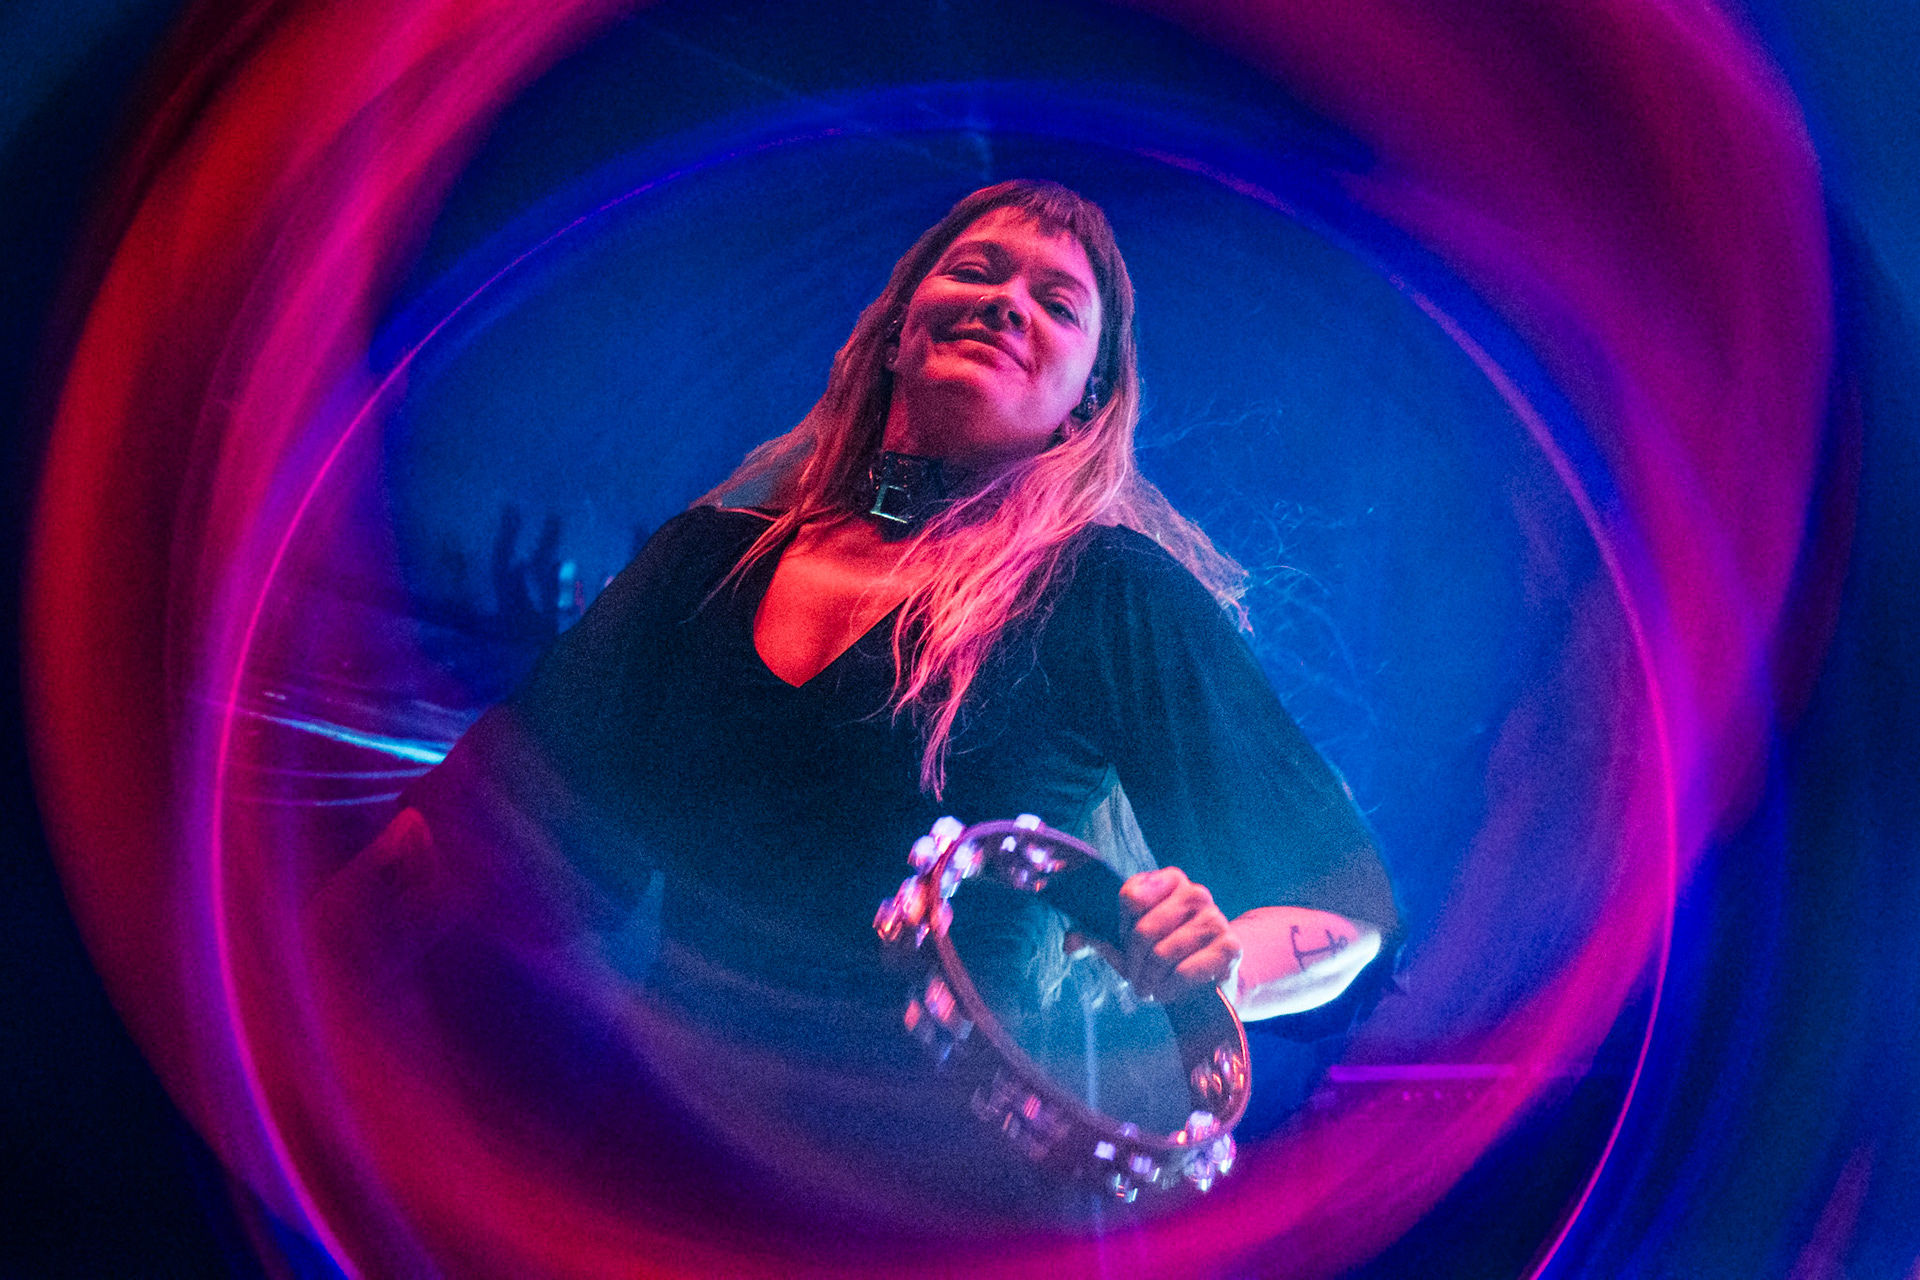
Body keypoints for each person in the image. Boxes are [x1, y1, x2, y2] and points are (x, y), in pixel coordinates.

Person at [312, 179, 1397, 1238]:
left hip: (951, 1220)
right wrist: (273, 997)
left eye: (1057, 303)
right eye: (975, 270)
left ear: (1088, 399)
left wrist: (1207, 971)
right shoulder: (702, 568)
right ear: (895, 333)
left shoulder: (1104, 594)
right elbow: (472, 841)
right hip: (670, 1188)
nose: (1006, 303)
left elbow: (1344, 913)